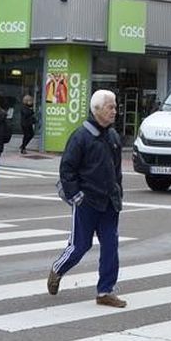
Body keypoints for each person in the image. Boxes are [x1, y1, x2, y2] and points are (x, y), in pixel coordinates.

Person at [47, 89, 126, 308]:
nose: (115, 111)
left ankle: (105, 291)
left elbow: (117, 170)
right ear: (97, 109)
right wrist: (76, 196)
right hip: (87, 202)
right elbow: (67, 169)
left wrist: (118, 191)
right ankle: (58, 269)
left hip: (109, 202)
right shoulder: (80, 136)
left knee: (110, 246)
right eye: (111, 107)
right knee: (80, 246)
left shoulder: (113, 136)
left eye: (115, 107)